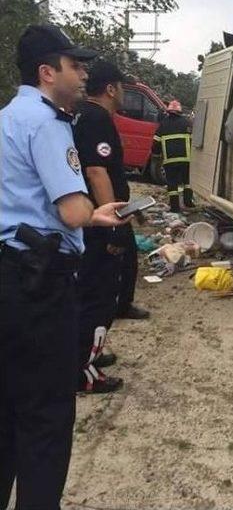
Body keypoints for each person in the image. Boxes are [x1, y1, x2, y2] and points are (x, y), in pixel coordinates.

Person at [0, 24, 131, 508]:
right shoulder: (48, 123)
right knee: (46, 417)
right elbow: (72, 210)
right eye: (75, 66)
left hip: (9, 275)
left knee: (7, 411)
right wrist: (97, 214)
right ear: (46, 72)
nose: (83, 75)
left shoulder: (7, 118)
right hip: (41, 284)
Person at [73, 59, 148, 394]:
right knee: (99, 296)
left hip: (90, 218)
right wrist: (115, 226)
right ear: (111, 88)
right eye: (121, 87)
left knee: (92, 292)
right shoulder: (97, 118)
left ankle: (89, 353)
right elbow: (97, 172)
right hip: (101, 222)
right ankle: (84, 373)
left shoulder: (79, 115)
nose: (122, 94)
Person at [152, 99, 194, 213]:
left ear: (169, 111)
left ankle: (175, 207)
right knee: (187, 182)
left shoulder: (163, 124)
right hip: (186, 159)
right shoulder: (187, 123)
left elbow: (156, 142)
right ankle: (188, 202)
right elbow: (193, 141)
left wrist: (155, 154)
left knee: (172, 183)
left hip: (170, 159)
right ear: (180, 112)